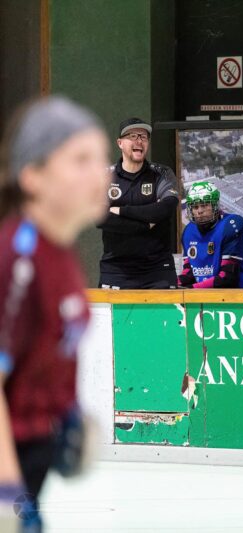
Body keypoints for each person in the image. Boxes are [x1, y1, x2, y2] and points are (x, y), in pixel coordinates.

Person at [0, 96, 110, 531]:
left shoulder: (59, 251)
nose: (99, 174)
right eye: (80, 159)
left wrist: (66, 417)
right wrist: (8, 494)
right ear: (33, 175)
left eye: (100, 159)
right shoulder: (18, 257)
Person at [97, 117, 180, 289]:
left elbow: (165, 208)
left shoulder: (162, 173)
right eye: (133, 136)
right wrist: (146, 224)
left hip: (158, 270)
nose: (139, 141)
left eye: (143, 137)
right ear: (120, 143)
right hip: (116, 270)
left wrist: (120, 211)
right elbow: (100, 218)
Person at [178, 181, 243, 289]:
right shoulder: (188, 231)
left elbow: (227, 278)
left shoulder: (230, 224)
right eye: (195, 207)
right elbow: (188, 272)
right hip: (202, 293)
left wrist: (192, 289)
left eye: (204, 205)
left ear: (215, 205)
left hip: (236, 293)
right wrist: (173, 283)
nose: (199, 211)